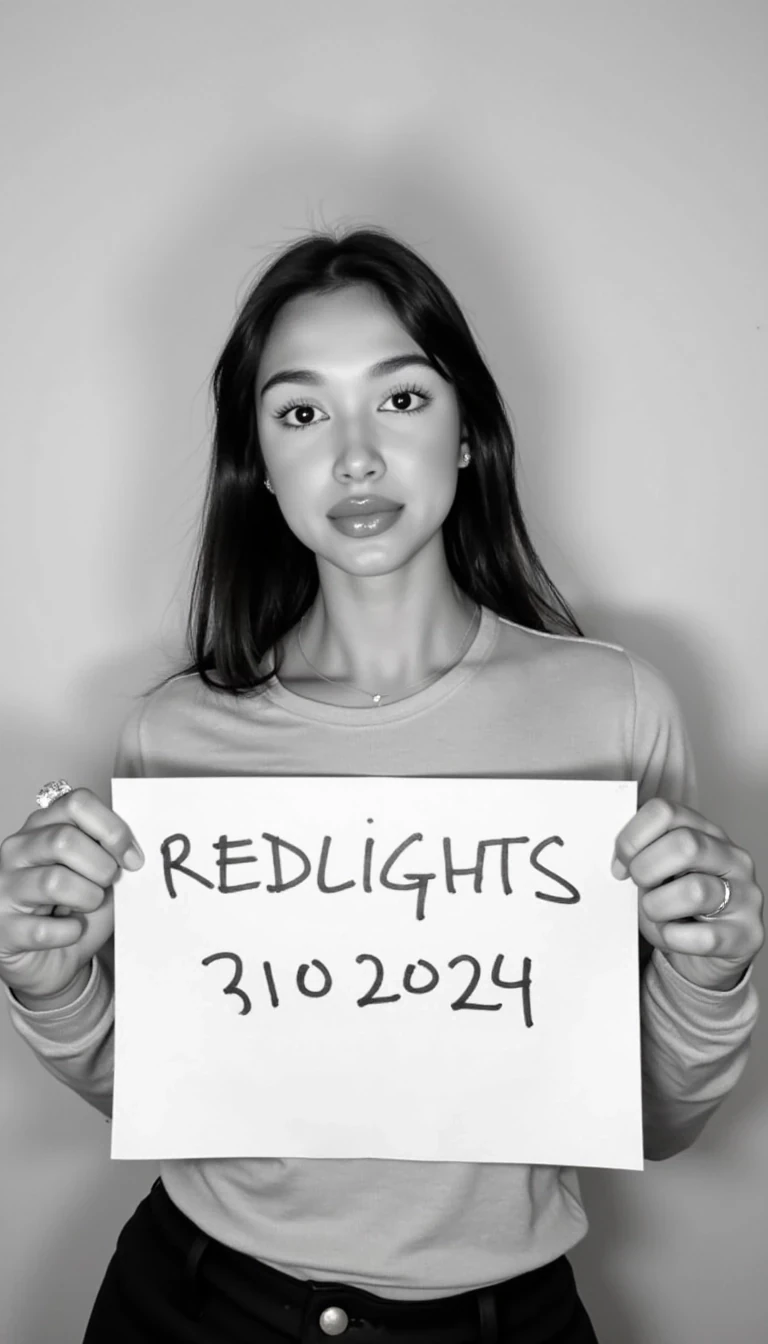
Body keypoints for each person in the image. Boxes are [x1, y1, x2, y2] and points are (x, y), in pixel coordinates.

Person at [1, 226, 763, 1344]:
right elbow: (182, 1102)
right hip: (198, 1301)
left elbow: (647, 1124)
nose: (354, 457)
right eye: (301, 412)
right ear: (258, 461)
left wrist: (714, 978)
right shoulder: (172, 734)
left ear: (467, 434)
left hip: (498, 1320)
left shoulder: (615, 712)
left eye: (401, 399)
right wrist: (52, 987)